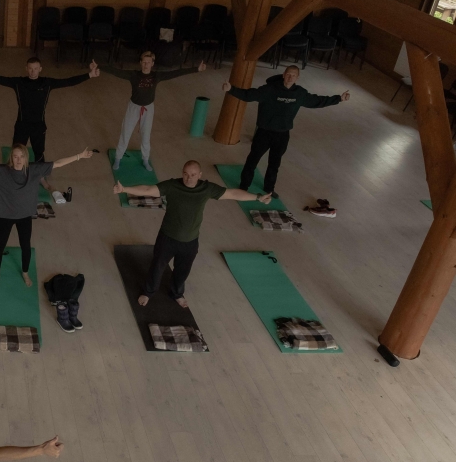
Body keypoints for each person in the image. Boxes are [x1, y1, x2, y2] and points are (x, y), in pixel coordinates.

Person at [113, 160, 271, 308]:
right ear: (182, 173)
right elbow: (148, 190)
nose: (189, 178)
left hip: (190, 241)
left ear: (200, 175)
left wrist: (257, 197)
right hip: (167, 237)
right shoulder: (172, 185)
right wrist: (124, 189)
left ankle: (177, 294)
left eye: (193, 175)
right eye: (186, 174)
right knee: (157, 266)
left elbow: (234, 194)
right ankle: (148, 292)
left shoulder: (207, 189)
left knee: (182, 270)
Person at [0, 144, 93, 287]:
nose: (18, 160)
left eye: (21, 156)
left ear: (26, 157)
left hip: (25, 216)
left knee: (26, 246)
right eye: (15, 156)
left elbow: (58, 163)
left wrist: (80, 155)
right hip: (5, 216)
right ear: (11, 158)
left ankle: (25, 272)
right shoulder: (1, 171)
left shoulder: (34, 170)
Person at [0, 56, 98, 199]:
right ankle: (13, 175)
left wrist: (90, 75)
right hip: (22, 125)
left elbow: (68, 81)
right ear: (26, 68)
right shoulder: (19, 83)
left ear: (40, 69)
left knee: (39, 152)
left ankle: (41, 178)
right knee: (16, 152)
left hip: (38, 126)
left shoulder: (47, 83)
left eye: (36, 68)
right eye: (30, 68)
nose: (33, 71)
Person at [223, 66, 350, 195]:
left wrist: (339, 98)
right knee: (253, 160)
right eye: (288, 74)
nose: (290, 77)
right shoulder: (269, 89)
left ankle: (269, 189)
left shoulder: (299, 93)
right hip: (264, 132)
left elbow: (317, 101)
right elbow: (249, 95)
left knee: (274, 164)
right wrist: (231, 89)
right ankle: (244, 186)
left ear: (297, 78)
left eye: (293, 75)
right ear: (283, 75)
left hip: (283, 134)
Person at [104, 52, 207, 171]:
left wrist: (196, 69)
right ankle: (118, 158)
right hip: (134, 107)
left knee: (146, 135)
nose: (146, 65)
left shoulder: (156, 76)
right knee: (125, 133)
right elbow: (116, 71)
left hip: (148, 108)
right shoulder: (134, 75)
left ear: (152, 64)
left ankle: (145, 159)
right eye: (144, 62)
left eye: (148, 62)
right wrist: (99, 67)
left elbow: (175, 73)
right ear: (140, 63)